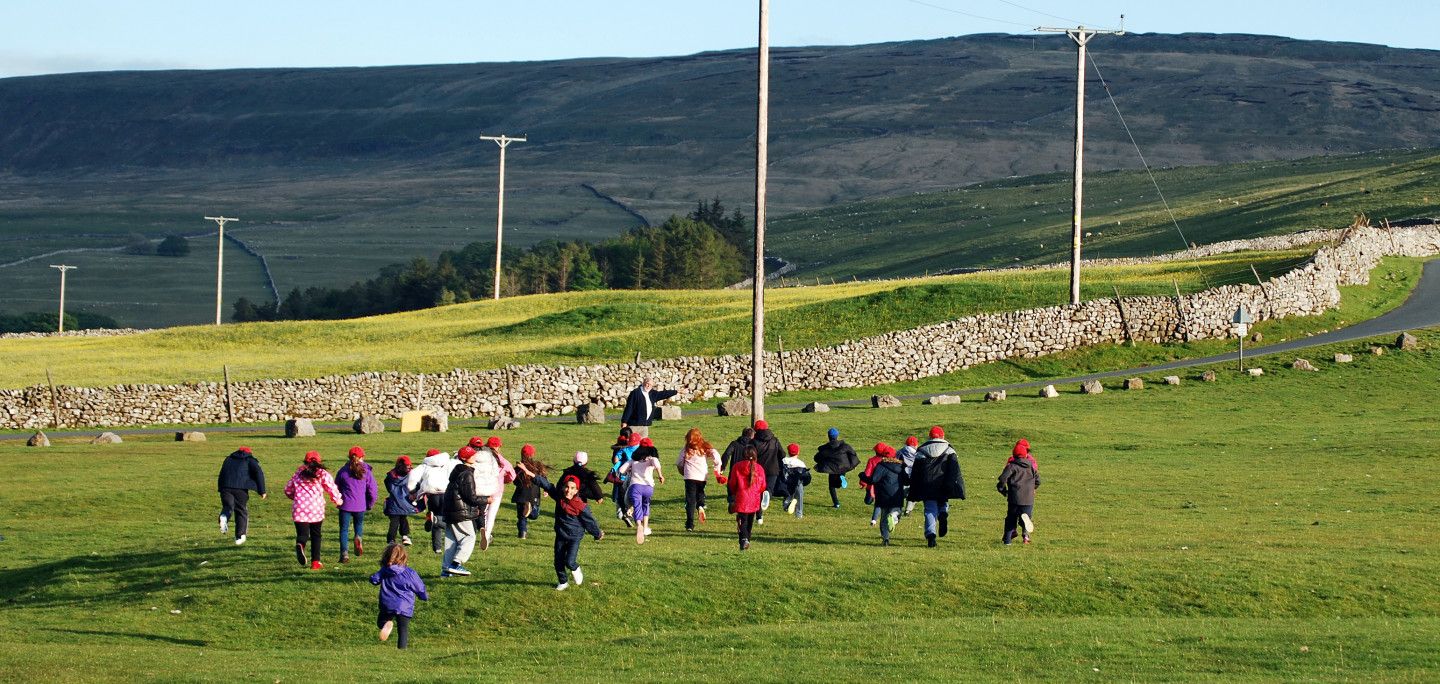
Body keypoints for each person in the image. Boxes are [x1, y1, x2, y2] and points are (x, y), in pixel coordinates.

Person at [518, 463, 605, 591]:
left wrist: (597, 534)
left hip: (574, 536)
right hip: (561, 534)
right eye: (567, 487)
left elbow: (590, 522)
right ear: (563, 487)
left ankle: (575, 568)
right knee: (558, 561)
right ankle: (563, 582)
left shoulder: (581, 506)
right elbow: (546, 484)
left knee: (569, 561)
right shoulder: (559, 497)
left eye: (572, 488)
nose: (568, 490)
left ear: (576, 490)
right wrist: (529, 473)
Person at [283, 451, 344, 570]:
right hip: (316, 509)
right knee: (316, 535)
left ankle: (301, 544)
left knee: (302, 534)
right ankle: (315, 562)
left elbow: (288, 489)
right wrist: (338, 500)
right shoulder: (322, 473)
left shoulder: (298, 473)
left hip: (300, 508)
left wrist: (294, 497)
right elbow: (331, 487)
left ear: (305, 461)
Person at [907, 426, 966, 547]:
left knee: (929, 509)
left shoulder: (921, 450)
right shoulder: (949, 450)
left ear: (930, 436)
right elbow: (954, 470)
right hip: (944, 483)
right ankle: (943, 513)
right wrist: (954, 485)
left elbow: (916, 472)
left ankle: (931, 536)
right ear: (943, 436)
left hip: (926, 485)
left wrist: (913, 490)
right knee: (943, 501)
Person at [440, 446, 490, 577]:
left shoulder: (458, 472)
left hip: (451, 511)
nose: (474, 456)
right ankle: (457, 563)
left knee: (451, 541)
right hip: (460, 512)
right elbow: (471, 497)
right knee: (470, 536)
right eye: (472, 455)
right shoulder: (467, 474)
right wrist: (487, 500)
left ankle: (446, 571)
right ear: (464, 458)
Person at [370, 543, 429, 649]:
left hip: (387, 603)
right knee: (403, 629)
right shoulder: (409, 572)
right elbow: (419, 587)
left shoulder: (384, 570)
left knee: (381, 622)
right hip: (404, 605)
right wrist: (423, 596)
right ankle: (402, 650)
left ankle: (386, 624)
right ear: (404, 557)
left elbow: (374, 580)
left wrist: (373, 577)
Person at [334, 446, 379, 564]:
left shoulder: (342, 471)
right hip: (360, 505)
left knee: (344, 530)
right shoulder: (366, 472)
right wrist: (370, 504)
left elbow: (336, 487)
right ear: (362, 457)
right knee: (358, 525)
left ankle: (344, 554)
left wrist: (337, 500)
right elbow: (373, 491)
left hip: (345, 505)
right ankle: (358, 537)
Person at [406, 449, 455, 554]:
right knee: (447, 520)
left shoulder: (424, 466)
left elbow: (412, 477)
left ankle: (437, 548)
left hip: (431, 495)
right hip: (446, 493)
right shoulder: (448, 463)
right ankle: (438, 523)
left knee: (434, 518)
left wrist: (412, 490)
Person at [216, 446, 266, 546]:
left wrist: (220, 488)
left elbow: (222, 473)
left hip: (225, 487)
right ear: (249, 453)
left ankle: (224, 516)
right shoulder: (249, 460)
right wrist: (262, 491)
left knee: (228, 506)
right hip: (241, 489)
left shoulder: (228, 459)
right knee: (241, 511)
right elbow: (258, 473)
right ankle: (240, 536)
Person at [619, 437, 665, 544]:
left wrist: (628, 471)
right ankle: (645, 527)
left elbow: (621, 470)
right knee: (646, 505)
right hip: (648, 487)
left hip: (635, 487)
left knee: (637, 506)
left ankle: (639, 525)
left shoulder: (633, 461)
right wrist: (660, 475)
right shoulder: (651, 459)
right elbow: (656, 463)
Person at [861, 443, 909, 546]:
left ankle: (885, 539)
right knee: (897, 513)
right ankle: (894, 517)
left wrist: (862, 476)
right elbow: (906, 481)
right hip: (896, 496)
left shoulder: (881, 465)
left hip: (882, 496)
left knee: (883, 519)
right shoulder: (901, 466)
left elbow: (873, 479)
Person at [675, 427, 722, 530]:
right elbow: (716, 456)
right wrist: (717, 468)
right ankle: (700, 505)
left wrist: (682, 470)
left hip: (689, 477)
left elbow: (678, 462)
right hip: (702, 476)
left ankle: (690, 524)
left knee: (690, 500)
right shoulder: (704, 448)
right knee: (700, 491)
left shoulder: (686, 449)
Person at [996, 438, 1041, 545]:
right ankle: (1025, 532)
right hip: (1028, 498)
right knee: (1026, 516)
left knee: (1011, 519)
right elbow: (1038, 480)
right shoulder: (1031, 466)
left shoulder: (1012, 465)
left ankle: (1007, 541)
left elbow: (1002, 479)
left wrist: (1002, 490)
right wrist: (1032, 488)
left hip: (1014, 497)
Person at [479, 436, 516, 551]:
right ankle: (487, 534)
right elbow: (512, 476)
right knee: (492, 514)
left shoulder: (480, 458)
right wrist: (504, 479)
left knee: (482, 512)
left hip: (483, 489)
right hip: (497, 490)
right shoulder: (503, 461)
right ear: (499, 447)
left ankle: (482, 529)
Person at [727, 446, 767, 551]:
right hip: (754, 498)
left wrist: (734, 492)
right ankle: (746, 540)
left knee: (742, 520)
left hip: (742, 497)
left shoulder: (737, 466)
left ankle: (744, 539)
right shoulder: (759, 468)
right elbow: (763, 486)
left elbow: (732, 483)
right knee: (749, 521)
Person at [813, 427, 859, 509]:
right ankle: (842, 478)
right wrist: (853, 465)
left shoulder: (825, 448)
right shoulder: (845, 446)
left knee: (832, 487)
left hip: (832, 468)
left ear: (828, 436)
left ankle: (836, 503)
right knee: (840, 477)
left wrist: (824, 462)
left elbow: (817, 458)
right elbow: (853, 454)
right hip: (844, 467)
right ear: (837, 436)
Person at [749, 420, 784, 523]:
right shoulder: (775, 440)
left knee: (757, 493)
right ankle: (768, 493)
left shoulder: (753, 442)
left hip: (758, 470)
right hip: (773, 469)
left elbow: (749, 455)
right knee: (768, 490)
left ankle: (759, 517)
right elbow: (782, 454)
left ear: (756, 430)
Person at [383, 456, 419, 546]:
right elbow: (416, 486)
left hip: (394, 502)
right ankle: (405, 536)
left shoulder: (390, 476)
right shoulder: (411, 475)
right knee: (403, 518)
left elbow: (387, 485)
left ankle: (391, 539)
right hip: (406, 502)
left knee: (394, 521)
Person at [512, 444, 545, 539]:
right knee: (534, 515)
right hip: (533, 495)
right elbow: (543, 480)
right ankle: (530, 512)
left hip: (521, 495)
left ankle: (522, 534)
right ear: (533, 454)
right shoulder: (537, 467)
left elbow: (515, 480)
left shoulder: (518, 467)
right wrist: (546, 490)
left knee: (521, 516)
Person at [609, 432, 641, 526]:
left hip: (623, 476)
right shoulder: (641, 449)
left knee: (621, 495)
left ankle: (622, 512)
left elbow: (615, 460)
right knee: (634, 495)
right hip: (636, 476)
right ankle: (632, 512)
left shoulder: (625, 449)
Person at [780, 443, 812, 518]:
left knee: (787, 495)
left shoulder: (784, 460)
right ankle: (799, 514)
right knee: (800, 494)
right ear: (798, 452)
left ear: (788, 452)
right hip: (797, 483)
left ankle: (786, 505)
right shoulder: (801, 463)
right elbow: (806, 476)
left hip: (785, 483)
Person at [860, 445, 886, 526]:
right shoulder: (886, 460)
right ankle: (874, 519)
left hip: (872, 485)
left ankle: (874, 520)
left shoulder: (872, 460)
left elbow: (867, 473)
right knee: (877, 503)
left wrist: (863, 482)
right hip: (882, 485)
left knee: (871, 502)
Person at [896, 436, 920, 515]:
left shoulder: (900, 452)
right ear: (915, 444)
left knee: (900, 494)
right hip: (915, 475)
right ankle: (908, 510)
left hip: (902, 475)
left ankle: (897, 509)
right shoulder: (918, 453)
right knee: (913, 493)